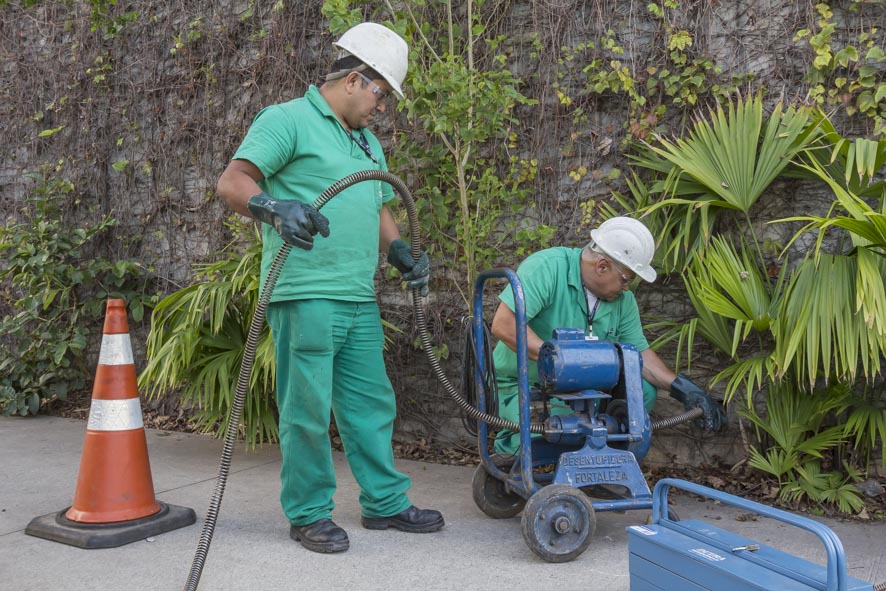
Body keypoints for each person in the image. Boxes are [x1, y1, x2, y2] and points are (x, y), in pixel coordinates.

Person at [216, 22, 443, 554]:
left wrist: (398, 250)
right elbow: (233, 181)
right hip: (305, 292)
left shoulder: (366, 142)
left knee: (371, 404)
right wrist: (273, 207)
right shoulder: (287, 119)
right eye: (381, 94)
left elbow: (377, 204)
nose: (383, 107)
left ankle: (384, 502)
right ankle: (309, 513)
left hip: (358, 295)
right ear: (354, 79)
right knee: (308, 410)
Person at [489, 216, 726, 456]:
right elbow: (504, 325)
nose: (627, 288)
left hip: (585, 391)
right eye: (626, 280)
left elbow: (639, 356)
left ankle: (603, 459)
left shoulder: (624, 301)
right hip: (525, 385)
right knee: (556, 428)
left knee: (642, 390)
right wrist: (557, 361)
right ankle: (510, 453)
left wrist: (684, 390)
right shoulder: (548, 268)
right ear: (602, 266)